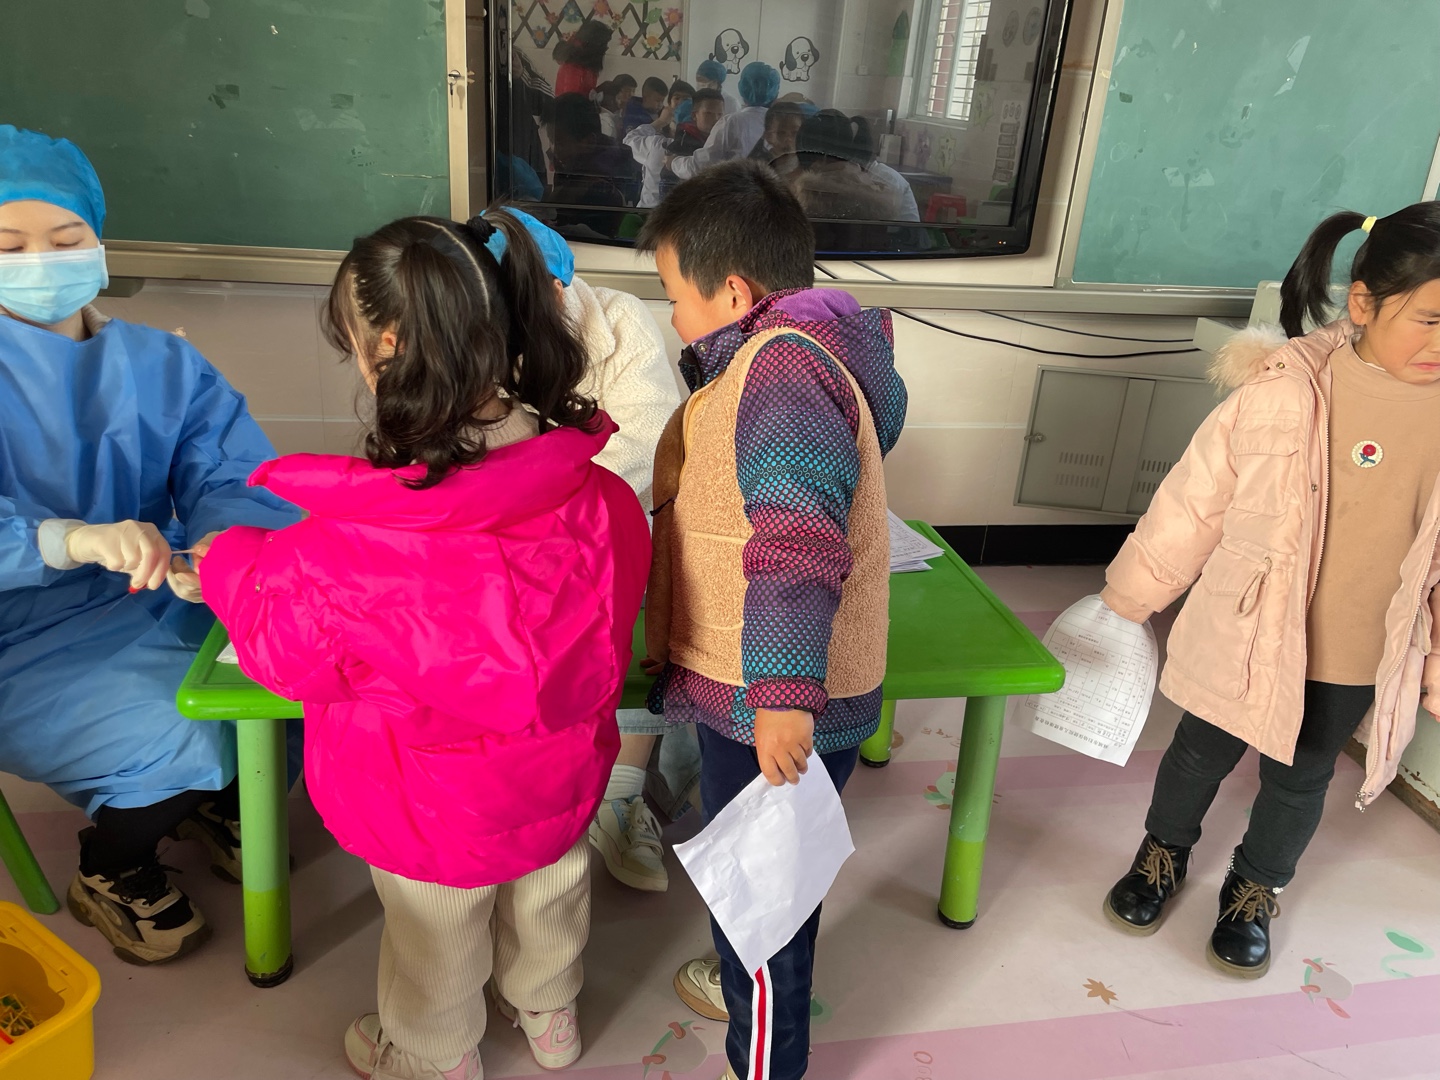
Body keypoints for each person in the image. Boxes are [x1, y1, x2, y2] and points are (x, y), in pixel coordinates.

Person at [199, 209, 650, 1079]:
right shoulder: (600, 497)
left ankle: (435, 1055)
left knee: (434, 934)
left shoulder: (347, 548)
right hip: (560, 776)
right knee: (551, 891)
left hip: (426, 807)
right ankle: (549, 1016)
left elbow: (281, 650)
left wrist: (225, 560)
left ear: (386, 347)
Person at [1098, 202, 1440, 979]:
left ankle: (1254, 889)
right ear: (1363, 303)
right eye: (1428, 320)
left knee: (1303, 775)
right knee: (1200, 751)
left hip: (1358, 644)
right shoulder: (1283, 389)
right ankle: (1162, 852)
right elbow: (1196, 500)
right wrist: (1130, 597)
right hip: (1247, 623)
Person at [0, 126, 299, 965]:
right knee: (186, 732)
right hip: (23, 636)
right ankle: (111, 864)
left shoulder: (162, 362)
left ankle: (211, 802)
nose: (40, 262)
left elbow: (231, 472)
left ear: (98, 243)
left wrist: (221, 546)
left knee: (299, 672)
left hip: (156, 588)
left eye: (66, 239)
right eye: (8, 246)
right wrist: (66, 540)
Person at [637, 160, 908, 1080]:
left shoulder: (781, 369)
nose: (673, 317)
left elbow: (795, 539)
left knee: (763, 910)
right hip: (764, 687)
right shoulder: (793, 356)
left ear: (733, 292)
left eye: (675, 297)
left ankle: (764, 1061)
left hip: (773, 697)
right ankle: (748, 989)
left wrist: (784, 694)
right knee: (773, 883)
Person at [504, 210, 688, 893]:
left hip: (611, 519)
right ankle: (542, 783)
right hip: (514, 531)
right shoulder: (475, 324)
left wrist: (557, 514)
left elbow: (646, 439)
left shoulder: (619, 319)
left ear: (559, 290)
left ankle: (623, 794)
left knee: (633, 629)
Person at [790, 110, 919, 222]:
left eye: (813, 166)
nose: (813, 172)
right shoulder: (841, 175)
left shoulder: (881, 182)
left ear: (823, 157)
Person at [669, 62, 781, 181]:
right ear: (775, 93)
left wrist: (674, 163)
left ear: (742, 88)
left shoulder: (731, 122)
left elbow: (702, 166)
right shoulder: (780, 124)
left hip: (735, 189)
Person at [625, 86, 721, 209]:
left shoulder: (658, 144)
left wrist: (660, 121)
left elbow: (629, 140)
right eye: (677, 98)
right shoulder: (711, 149)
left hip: (649, 211)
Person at [554, 20, 612, 98]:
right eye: (604, 44)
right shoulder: (573, 68)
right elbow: (570, 100)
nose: (606, 48)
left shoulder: (588, 65)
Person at [747, 101, 805, 174]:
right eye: (781, 133)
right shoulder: (758, 168)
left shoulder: (809, 166)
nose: (788, 139)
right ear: (768, 136)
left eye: (795, 133)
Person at [596, 75, 638, 140]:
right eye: (627, 90)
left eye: (633, 91)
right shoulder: (605, 120)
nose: (631, 94)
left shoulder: (628, 112)